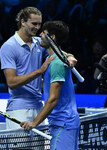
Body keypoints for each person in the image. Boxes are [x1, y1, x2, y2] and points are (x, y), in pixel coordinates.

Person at [0, 7, 77, 130]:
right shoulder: (8, 47)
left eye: (39, 24)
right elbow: (11, 82)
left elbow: (57, 51)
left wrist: (70, 56)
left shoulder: (39, 42)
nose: (37, 28)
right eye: (34, 24)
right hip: (19, 108)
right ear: (23, 21)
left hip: (39, 107)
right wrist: (40, 71)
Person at [20, 20, 80, 150]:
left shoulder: (57, 63)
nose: (40, 35)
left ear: (52, 37)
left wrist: (34, 123)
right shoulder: (53, 59)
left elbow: (53, 99)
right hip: (61, 123)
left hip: (63, 123)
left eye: (43, 33)